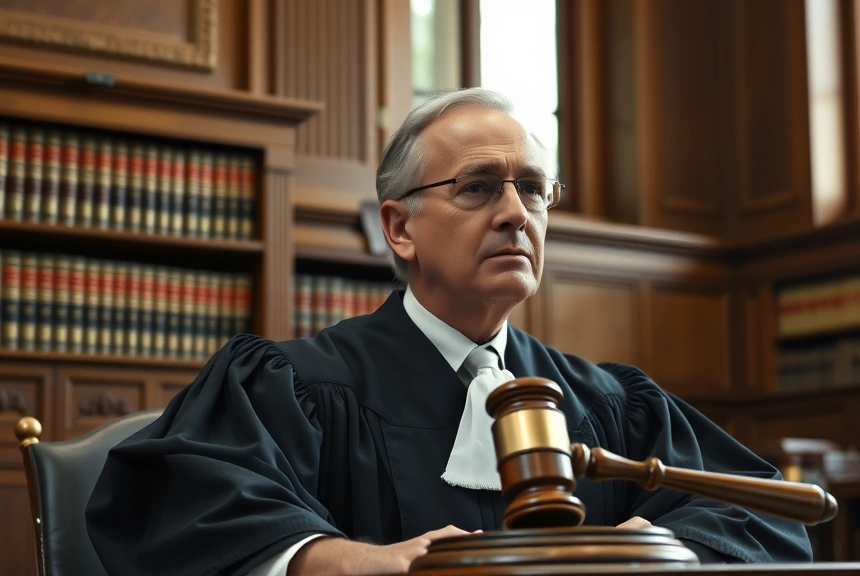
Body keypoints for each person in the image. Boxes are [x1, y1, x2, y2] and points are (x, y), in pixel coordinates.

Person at [86, 88, 812, 576]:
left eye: (533, 189)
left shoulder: (610, 403)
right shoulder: (291, 384)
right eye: (478, 186)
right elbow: (177, 506)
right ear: (400, 228)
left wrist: (661, 547)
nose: (516, 213)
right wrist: (344, 560)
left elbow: (758, 508)